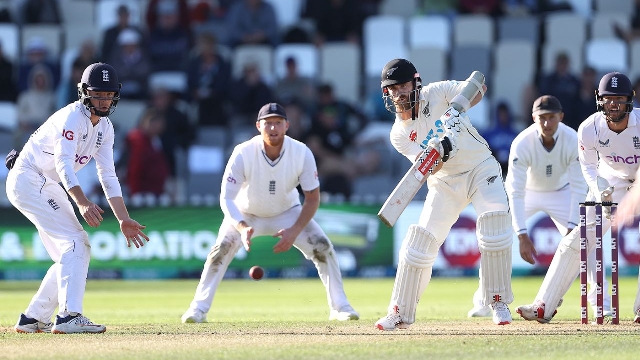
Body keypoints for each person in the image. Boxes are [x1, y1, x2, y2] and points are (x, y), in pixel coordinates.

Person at [181, 102, 359, 323]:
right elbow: (226, 198)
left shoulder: (301, 152)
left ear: (287, 126)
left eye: (278, 123)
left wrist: (294, 231)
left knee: (322, 246)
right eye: (268, 123)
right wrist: (242, 226)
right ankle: (197, 310)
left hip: (287, 212)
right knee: (220, 250)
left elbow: (312, 198)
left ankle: (340, 307)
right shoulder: (243, 152)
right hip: (247, 213)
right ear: (258, 126)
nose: (273, 128)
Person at [5, 62, 149, 334]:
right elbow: (63, 164)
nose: (104, 100)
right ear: (84, 92)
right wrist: (82, 202)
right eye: (98, 94)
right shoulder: (73, 117)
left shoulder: (105, 128)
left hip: (42, 182)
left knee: (70, 253)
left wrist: (123, 218)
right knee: (76, 242)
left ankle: (33, 318)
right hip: (29, 177)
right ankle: (69, 316)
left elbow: (108, 176)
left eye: (108, 95)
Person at [374, 58, 514, 329]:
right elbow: (430, 168)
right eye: (392, 89)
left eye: (403, 85)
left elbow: (478, 85)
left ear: (416, 83)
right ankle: (399, 311)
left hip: (480, 167)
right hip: (445, 182)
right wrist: (443, 147)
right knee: (419, 244)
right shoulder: (399, 135)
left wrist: (455, 111)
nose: (398, 93)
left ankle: (497, 301)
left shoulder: (437, 92)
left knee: (494, 226)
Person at [467, 95, 611, 319]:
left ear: (560, 117)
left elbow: (578, 186)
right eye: (541, 118)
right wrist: (522, 234)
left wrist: (572, 226)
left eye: (551, 117)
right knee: (496, 238)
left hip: (562, 192)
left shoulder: (572, 139)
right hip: (529, 194)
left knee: (585, 243)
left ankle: (602, 304)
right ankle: (484, 301)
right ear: (533, 117)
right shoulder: (522, 142)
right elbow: (514, 191)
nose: (546, 123)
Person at [516, 72, 640, 324]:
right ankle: (544, 305)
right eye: (608, 99)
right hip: (611, 184)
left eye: (619, 99)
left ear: (630, 100)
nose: (613, 105)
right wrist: (599, 191)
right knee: (576, 240)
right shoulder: (589, 128)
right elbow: (589, 168)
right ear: (599, 100)